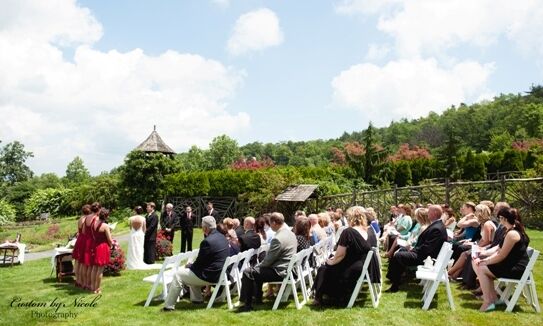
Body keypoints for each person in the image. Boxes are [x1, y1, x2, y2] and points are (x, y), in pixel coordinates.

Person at [312, 206, 379, 306]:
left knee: (323, 268)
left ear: (350, 218)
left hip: (352, 269)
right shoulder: (369, 231)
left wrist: (330, 261)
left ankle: (319, 297)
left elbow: (340, 255)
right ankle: (323, 295)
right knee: (327, 266)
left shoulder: (348, 232)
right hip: (364, 266)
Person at [163, 216, 229, 310]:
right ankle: (197, 299)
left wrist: (190, 265)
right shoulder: (222, 237)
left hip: (211, 275)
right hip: (220, 272)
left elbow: (199, 265)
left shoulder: (207, 242)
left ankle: (168, 306)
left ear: (205, 228)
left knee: (178, 275)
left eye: (202, 226)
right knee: (190, 272)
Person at [473, 207, 530, 312]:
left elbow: (501, 255)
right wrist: (484, 253)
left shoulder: (513, 234)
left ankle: (488, 302)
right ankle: (492, 298)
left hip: (516, 269)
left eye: (500, 218)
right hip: (510, 265)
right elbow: (498, 249)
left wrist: (485, 261)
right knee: (481, 265)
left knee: (481, 267)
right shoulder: (509, 230)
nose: (499, 220)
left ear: (504, 218)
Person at [238, 212, 297, 312]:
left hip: (280, 271)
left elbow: (268, 261)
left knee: (248, 272)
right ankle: (257, 298)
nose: (269, 226)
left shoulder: (278, 239)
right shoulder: (290, 233)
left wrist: (256, 267)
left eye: (269, 223)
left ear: (274, 223)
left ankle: (246, 304)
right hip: (288, 269)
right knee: (257, 271)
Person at [385, 204, 447, 292]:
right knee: (401, 252)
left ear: (435, 213)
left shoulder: (437, 228)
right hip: (424, 254)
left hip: (426, 258)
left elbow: (428, 248)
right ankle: (395, 279)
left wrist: (413, 250)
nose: (427, 213)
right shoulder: (437, 225)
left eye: (429, 211)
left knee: (399, 256)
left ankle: (394, 284)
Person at [90, 208, 113, 294]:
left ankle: (92, 287)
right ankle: (98, 288)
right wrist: (111, 246)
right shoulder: (105, 226)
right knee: (100, 269)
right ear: (106, 216)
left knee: (94, 268)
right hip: (102, 247)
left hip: (95, 245)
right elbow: (109, 239)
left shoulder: (93, 224)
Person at [72, 204, 92, 288]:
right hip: (84, 239)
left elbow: (79, 231)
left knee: (78, 261)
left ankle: (78, 280)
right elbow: (84, 231)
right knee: (83, 262)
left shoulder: (80, 218)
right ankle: (83, 282)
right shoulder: (86, 219)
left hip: (79, 239)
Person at [82, 202, 100, 290]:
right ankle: (90, 284)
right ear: (99, 210)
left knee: (87, 264)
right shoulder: (96, 218)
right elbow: (97, 231)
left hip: (86, 241)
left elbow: (84, 231)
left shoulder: (86, 218)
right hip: (93, 241)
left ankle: (85, 283)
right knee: (92, 265)